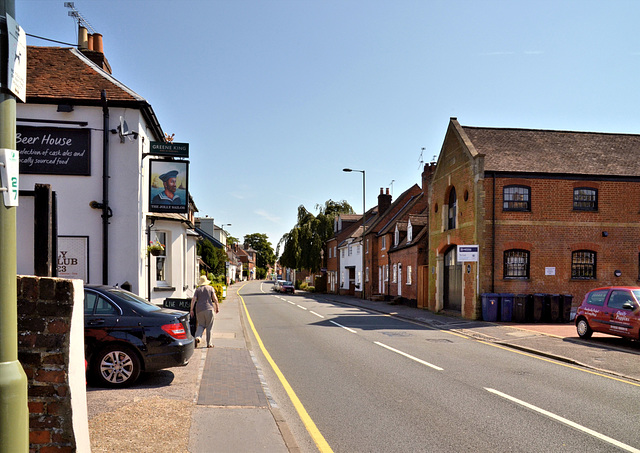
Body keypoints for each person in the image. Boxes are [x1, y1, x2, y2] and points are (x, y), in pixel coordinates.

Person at [189, 274, 219, 348]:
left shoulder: (198, 290)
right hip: (209, 309)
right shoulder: (210, 288)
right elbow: (215, 298)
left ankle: (198, 337)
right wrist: (217, 306)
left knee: (201, 325)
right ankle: (209, 343)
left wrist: (191, 310)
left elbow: (193, 300)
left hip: (199, 310)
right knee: (209, 326)